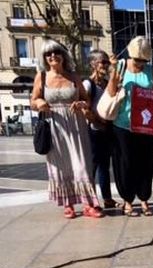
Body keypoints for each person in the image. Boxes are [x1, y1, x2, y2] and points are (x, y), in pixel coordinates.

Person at [30, 39, 103, 219]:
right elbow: (33, 101)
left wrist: (80, 103)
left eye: (56, 52)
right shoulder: (42, 76)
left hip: (76, 125)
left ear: (63, 55)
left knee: (82, 165)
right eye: (48, 54)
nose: (53, 56)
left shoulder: (74, 76)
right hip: (54, 125)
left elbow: (87, 100)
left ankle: (88, 204)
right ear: (45, 58)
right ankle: (67, 204)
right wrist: (40, 103)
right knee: (61, 166)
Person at [106, 36, 153, 217]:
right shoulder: (119, 66)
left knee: (145, 163)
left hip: (144, 125)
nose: (140, 64)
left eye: (144, 61)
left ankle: (144, 199)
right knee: (125, 163)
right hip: (122, 125)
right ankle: (128, 201)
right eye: (137, 60)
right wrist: (113, 73)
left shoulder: (150, 71)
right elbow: (111, 92)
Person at [83, 49, 119, 210]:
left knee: (104, 166)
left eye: (106, 62)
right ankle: (90, 201)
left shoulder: (105, 84)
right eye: (102, 62)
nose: (105, 65)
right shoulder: (87, 84)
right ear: (93, 64)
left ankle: (107, 198)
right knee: (92, 167)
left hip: (106, 131)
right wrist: (100, 122)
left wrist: (114, 67)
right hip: (94, 131)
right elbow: (86, 110)